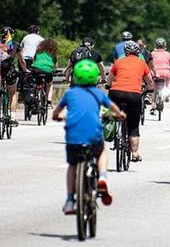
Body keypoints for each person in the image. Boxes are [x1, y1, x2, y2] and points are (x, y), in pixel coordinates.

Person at [53, 59, 125, 214]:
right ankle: (103, 178)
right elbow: (113, 108)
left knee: (72, 165)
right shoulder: (98, 93)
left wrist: (57, 116)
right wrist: (120, 114)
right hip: (93, 136)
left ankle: (70, 200)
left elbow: (56, 111)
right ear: (96, 77)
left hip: (73, 137)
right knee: (101, 152)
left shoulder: (70, 93)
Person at [106, 40, 154, 161]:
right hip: (134, 95)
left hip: (116, 93)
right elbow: (149, 81)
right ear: (138, 52)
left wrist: (108, 86)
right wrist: (150, 90)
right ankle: (135, 153)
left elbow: (109, 79)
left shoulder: (119, 61)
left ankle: (113, 130)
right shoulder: (142, 63)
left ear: (125, 52)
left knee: (110, 113)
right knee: (133, 125)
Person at [0, 26, 21, 125]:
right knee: (13, 94)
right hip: (9, 71)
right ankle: (12, 117)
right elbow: (21, 61)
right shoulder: (15, 45)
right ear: (12, 35)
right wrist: (25, 70)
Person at [31, 39, 59, 107]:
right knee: (49, 84)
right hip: (47, 71)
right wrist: (54, 70)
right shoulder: (53, 54)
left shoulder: (38, 52)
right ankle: (49, 102)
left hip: (36, 69)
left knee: (35, 82)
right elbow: (56, 66)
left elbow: (33, 61)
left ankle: (35, 97)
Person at [150, 38, 170, 113]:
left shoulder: (152, 53)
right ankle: (166, 94)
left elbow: (149, 63)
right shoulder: (167, 54)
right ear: (164, 45)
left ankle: (153, 105)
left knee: (154, 89)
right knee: (167, 83)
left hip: (155, 72)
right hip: (165, 73)